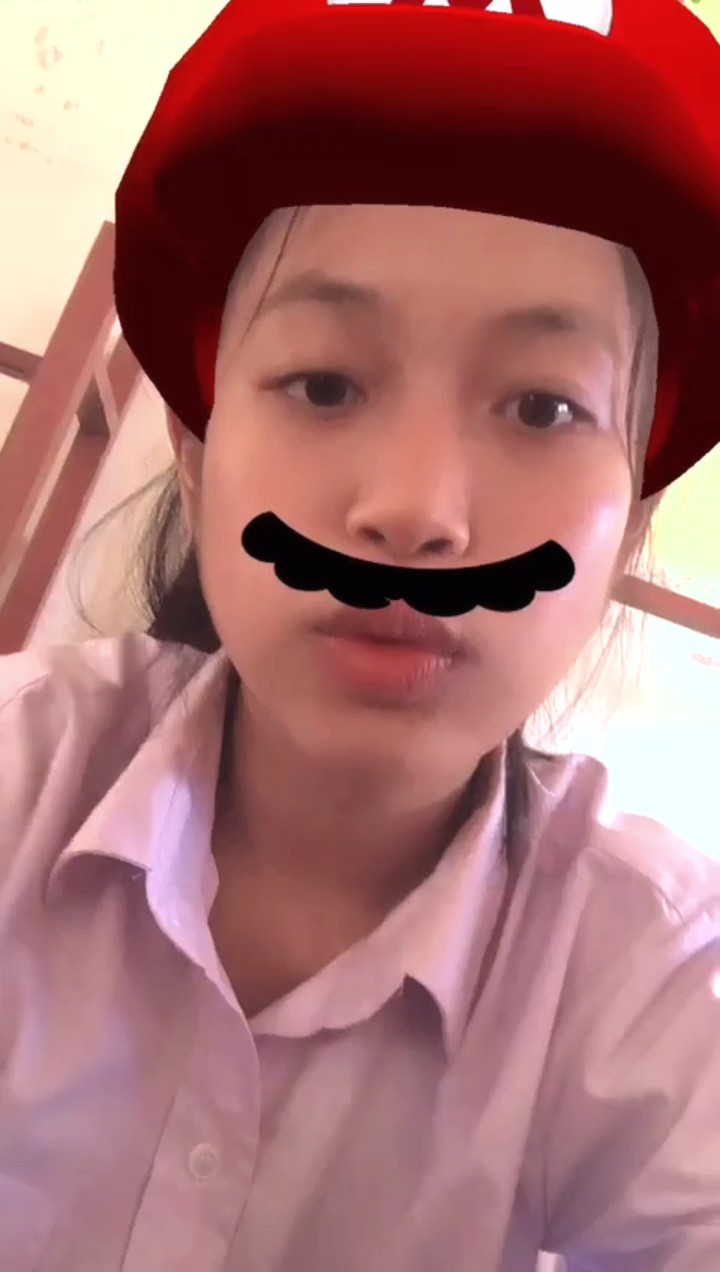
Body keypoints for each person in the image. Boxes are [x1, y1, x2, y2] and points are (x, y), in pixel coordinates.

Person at [1, 3, 719, 1271]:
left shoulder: (654, 979)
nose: (415, 510)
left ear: (633, 519)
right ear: (196, 449)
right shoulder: (19, 773)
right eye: (325, 384)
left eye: (543, 407)